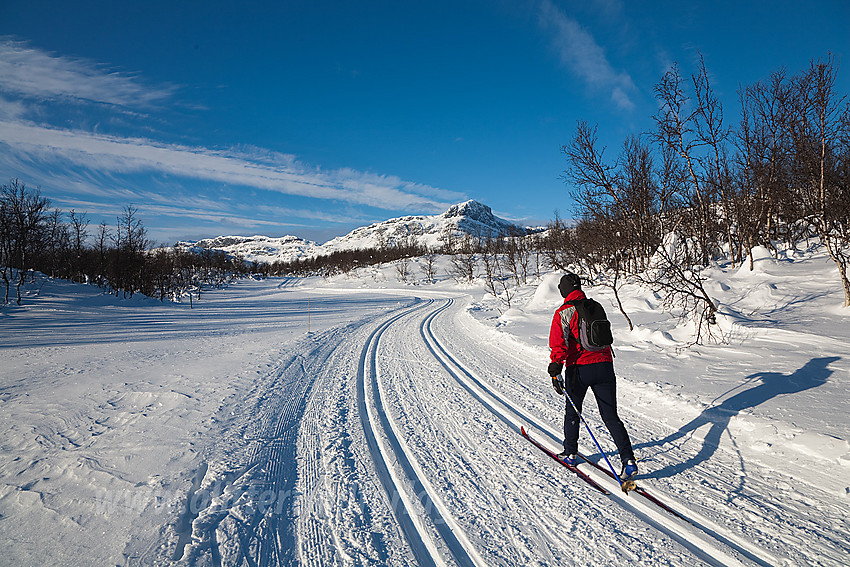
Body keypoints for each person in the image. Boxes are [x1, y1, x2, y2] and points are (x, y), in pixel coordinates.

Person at [547, 273, 638, 481]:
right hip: (605, 366)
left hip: (579, 368)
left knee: (573, 412)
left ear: (564, 290)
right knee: (610, 416)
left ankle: (570, 453)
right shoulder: (595, 306)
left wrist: (555, 369)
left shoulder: (564, 312)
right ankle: (629, 460)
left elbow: (559, 344)